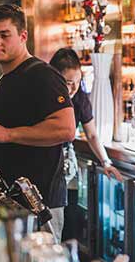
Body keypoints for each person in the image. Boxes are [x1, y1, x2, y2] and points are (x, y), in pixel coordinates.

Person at [0, 4, 75, 243]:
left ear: (23, 36)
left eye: (4, 35)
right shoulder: (4, 81)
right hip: (12, 199)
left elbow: (66, 129)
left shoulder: (43, 76)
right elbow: (1, 139)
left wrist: (8, 134)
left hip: (40, 203)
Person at [49, 48, 122, 241]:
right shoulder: (43, 97)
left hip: (66, 166)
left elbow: (92, 134)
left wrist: (106, 162)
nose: (72, 88)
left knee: (69, 216)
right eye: (67, 82)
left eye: (77, 82)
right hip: (43, 164)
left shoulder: (80, 99)